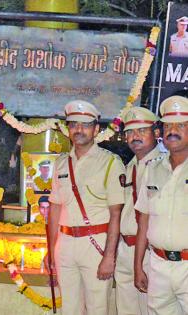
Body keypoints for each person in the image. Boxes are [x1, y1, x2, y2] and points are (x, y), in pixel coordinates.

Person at [48, 100, 125, 315]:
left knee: (97, 308)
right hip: (65, 245)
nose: (78, 130)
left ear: (96, 129)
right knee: (69, 309)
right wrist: (51, 248)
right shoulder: (61, 163)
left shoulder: (110, 162)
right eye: (73, 124)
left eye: (85, 125)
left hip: (96, 245)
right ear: (68, 129)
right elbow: (54, 209)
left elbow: (115, 214)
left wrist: (109, 256)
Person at [134, 95, 188, 315]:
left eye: (181, 125)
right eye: (168, 125)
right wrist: (138, 266)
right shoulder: (152, 168)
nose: (172, 130)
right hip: (158, 265)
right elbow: (144, 221)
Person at [115, 107, 164, 315]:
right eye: (129, 132)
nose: (134, 137)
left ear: (156, 133)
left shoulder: (165, 166)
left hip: (149, 253)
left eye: (141, 131)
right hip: (125, 249)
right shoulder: (130, 166)